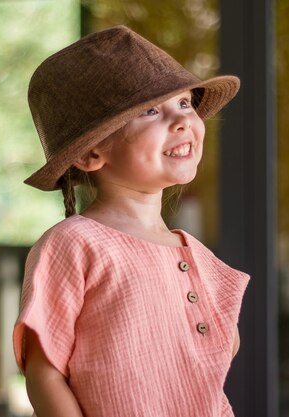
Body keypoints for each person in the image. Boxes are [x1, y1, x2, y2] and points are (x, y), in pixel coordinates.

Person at [13, 25, 249, 417]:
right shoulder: (74, 243)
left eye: (186, 103)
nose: (180, 120)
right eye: (151, 110)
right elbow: (44, 374)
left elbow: (218, 354)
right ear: (90, 154)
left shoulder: (198, 255)